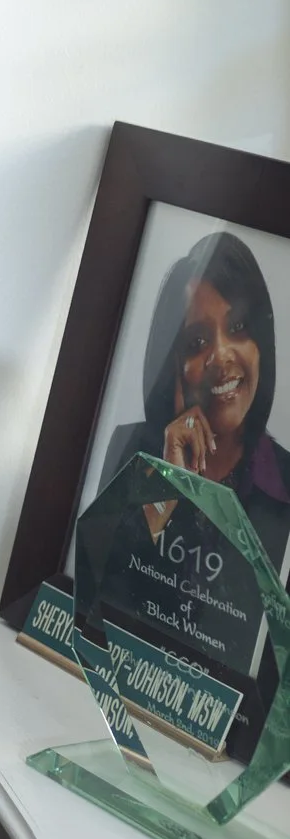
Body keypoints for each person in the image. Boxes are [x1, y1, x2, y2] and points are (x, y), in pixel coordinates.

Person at [91, 231, 290, 675]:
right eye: (197, 342)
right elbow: (96, 604)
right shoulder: (131, 451)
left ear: (262, 344)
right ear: (172, 364)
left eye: (238, 328)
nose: (222, 356)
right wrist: (165, 482)